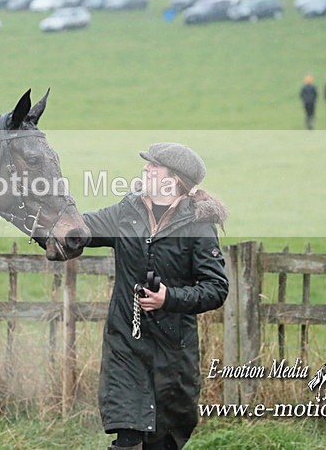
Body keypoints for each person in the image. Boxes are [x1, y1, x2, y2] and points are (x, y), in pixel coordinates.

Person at [82, 143, 228, 450]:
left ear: (173, 179)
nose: (145, 170)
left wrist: (169, 298)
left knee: (163, 442)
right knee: (128, 437)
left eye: (153, 166)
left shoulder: (198, 226)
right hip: (126, 344)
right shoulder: (126, 212)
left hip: (173, 353)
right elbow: (81, 228)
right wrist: (43, 218)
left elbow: (216, 288)